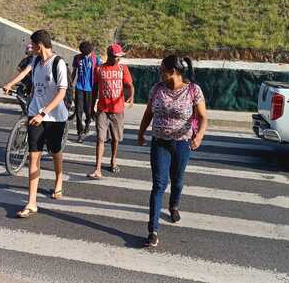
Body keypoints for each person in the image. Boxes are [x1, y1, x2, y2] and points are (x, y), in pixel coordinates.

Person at [137, 55, 208, 248]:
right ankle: (153, 230)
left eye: (162, 70)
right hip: (159, 142)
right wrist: (141, 133)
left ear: (173, 72)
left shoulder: (193, 90)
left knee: (177, 180)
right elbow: (148, 113)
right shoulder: (157, 89)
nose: (160, 73)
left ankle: (174, 205)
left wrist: (199, 136)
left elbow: (203, 117)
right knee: (159, 185)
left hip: (182, 143)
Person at [3, 29, 69, 218]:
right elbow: (24, 73)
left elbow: (61, 94)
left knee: (55, 151)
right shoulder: (35, 61)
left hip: (55, 117)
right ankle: (31, 202)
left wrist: (43, 113)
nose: (30, 48)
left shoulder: (58, 64)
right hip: (35, 115)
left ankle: (58, 180)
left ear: (40, 45)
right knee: (33, 157)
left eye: (32, 45)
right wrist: (10, 84)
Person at [86, 43, 134, 179]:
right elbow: (95, 88)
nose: (118, 59)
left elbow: (129, 85)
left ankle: (113, 160)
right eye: (115, 57)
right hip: (102, 109)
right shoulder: (99, 69)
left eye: (119, 57)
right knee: (100, 138)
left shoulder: (122, 68)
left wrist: (131, 96)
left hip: (117, 109)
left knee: (115, 138)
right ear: (110, 55)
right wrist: (91, 107)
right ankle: (98, 168)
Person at [72, 40, 101, 143]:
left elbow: (99, 75)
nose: (85, 55)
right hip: (79, 87)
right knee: (78, 111)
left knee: (89, 112)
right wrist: (70, 84)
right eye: (83, 54)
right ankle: (80, 133)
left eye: (87, 54)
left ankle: (87, 124)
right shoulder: (77, 58)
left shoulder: (96, 60)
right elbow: (74, 72)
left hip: (91, 89)